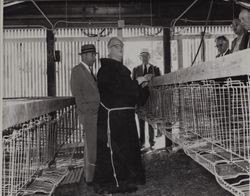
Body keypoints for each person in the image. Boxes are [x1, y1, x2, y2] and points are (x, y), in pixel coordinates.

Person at [93, 37, 151, 194]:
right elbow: (119, 89)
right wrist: (137, 81)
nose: (121, 49)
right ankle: (114, 183)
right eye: (117, 46)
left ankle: (128, 181)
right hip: (113, 120)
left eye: (122, 47)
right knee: (115, 153)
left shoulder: (123, 71)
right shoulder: (105, 70)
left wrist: (143, 87)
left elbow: (133, 96)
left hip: (125, 119)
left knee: (128, 151)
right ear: (109, 49)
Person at [70, 44, 100, 185]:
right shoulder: (77, 71)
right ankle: (89, 178)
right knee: (91, 146)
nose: (94, 58)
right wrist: (89, 111)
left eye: (94, 55)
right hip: (89, 115)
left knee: (93, 145)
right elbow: (77, 95)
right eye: (92, 55)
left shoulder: (89, 71)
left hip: (95, 115)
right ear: (84, 56)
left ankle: (91, 175)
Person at [132, 48, 161, 149]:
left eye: (146, 56)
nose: (144, 58)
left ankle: (152, 142)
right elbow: (133, 85)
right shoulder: (136, 69)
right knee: (141, 121)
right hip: (140, 100)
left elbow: (159, 85)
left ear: (149, 57)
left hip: (152, 99)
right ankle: (142, 142)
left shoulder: (155, 69)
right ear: (140, 57)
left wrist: (151, 80)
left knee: (151, 120)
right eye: (142, 56)